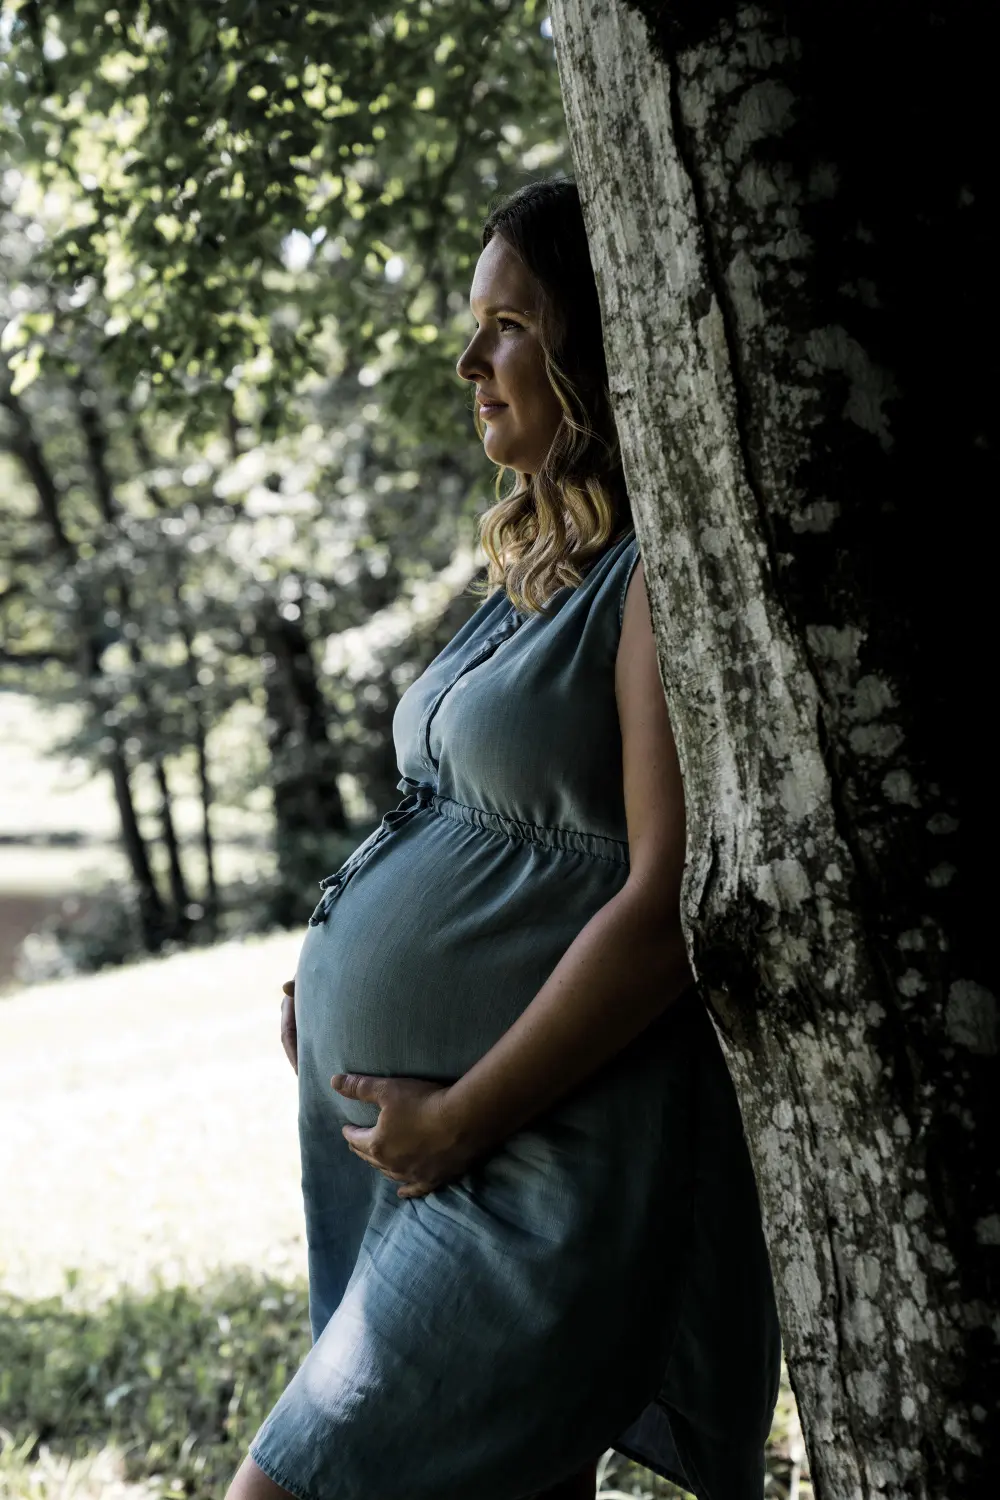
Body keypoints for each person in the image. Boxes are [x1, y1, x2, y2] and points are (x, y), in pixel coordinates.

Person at [225, 177, 781, 1500]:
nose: (472, 361)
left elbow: (663, 909)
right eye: (474, 328)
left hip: (533, 1149)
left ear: (591, 345)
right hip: (415, 1146)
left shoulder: (653, 576)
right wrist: (346, 957)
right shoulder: (539, 566)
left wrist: (465, 1111)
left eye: (511, 327)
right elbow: (452, 807)